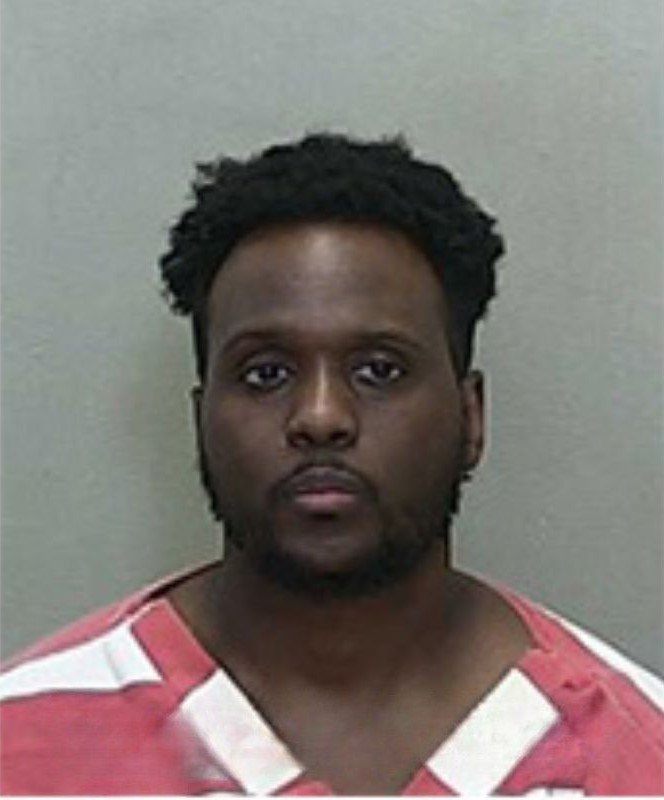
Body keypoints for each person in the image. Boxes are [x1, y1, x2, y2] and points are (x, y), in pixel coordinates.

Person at [1, 133, 662, 796]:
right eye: (265, 373)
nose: (320, 416)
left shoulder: (636, 750)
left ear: (472, 416)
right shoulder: (24, 740)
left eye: (379, 370)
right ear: (202, 417)